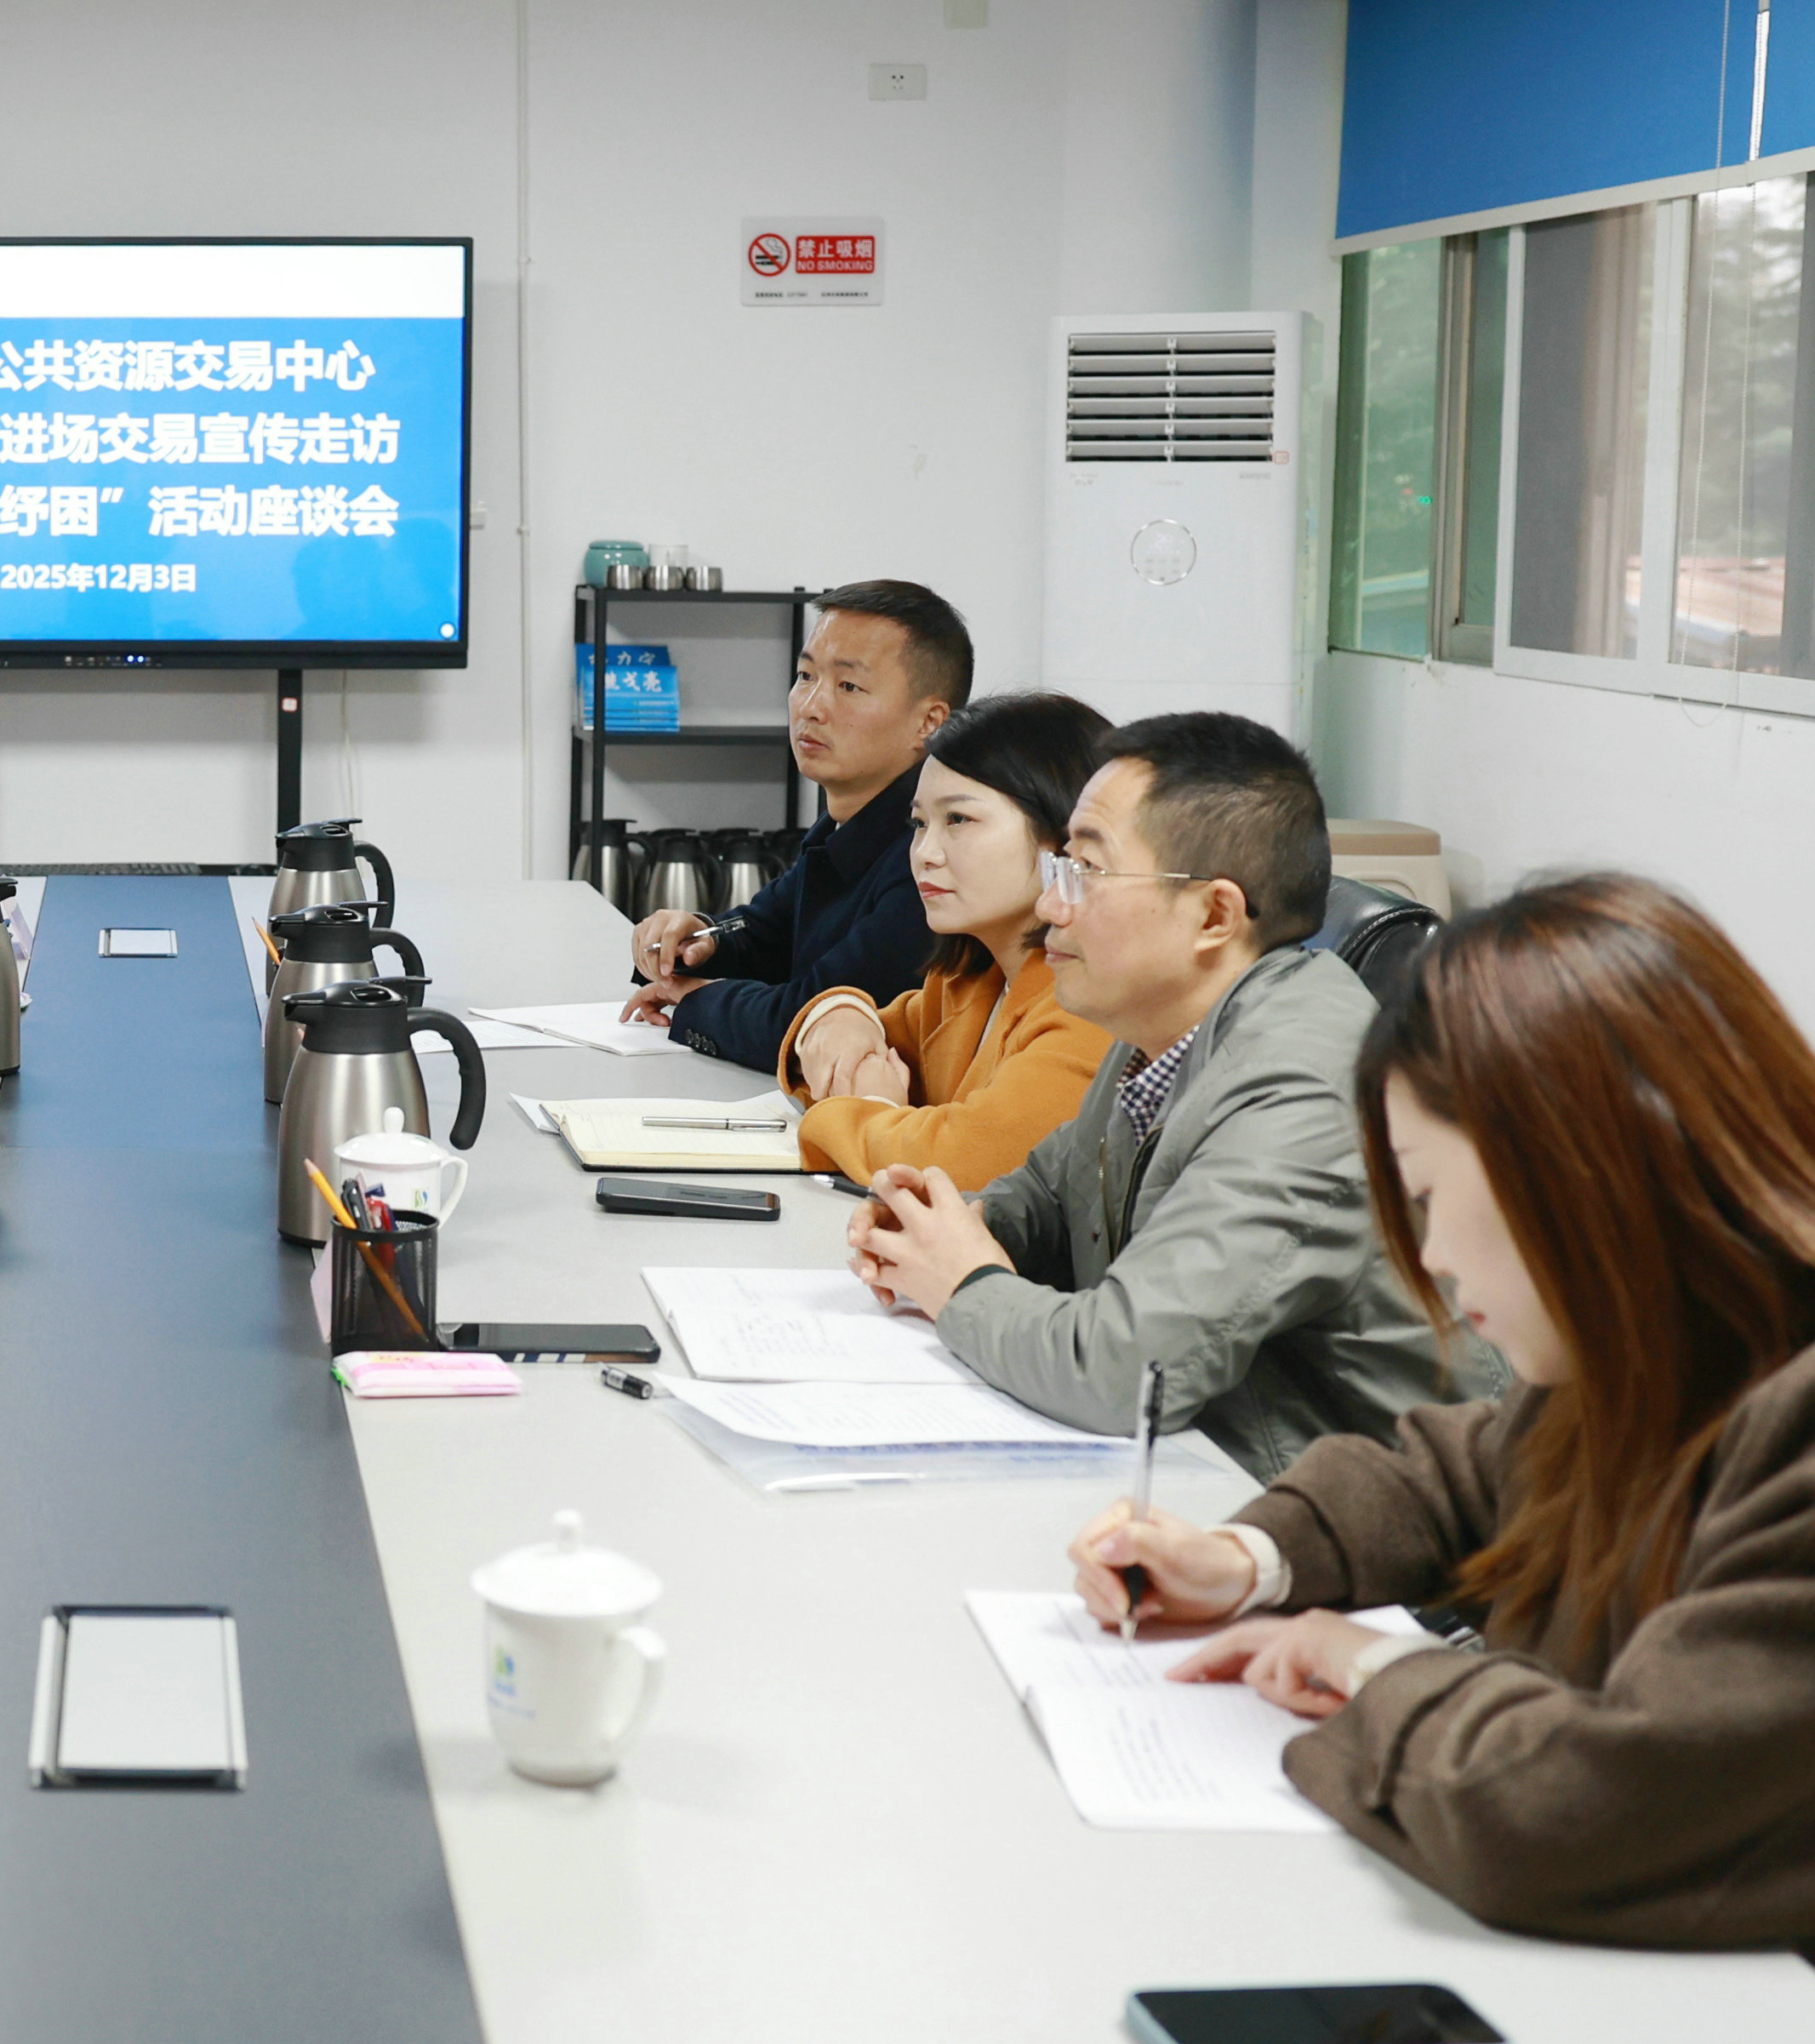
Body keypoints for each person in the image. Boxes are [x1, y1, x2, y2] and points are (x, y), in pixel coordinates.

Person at [1069, 876, 1815, 2044]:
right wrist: (1250, 1561)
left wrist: (1370, 1668)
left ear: (1575, 1169)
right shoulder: (1697, 1325)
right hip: (1784, 1978)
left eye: (1432, 1197)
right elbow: (1466, 1471)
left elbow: (1570, 1816)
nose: (1427, 1257)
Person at [853, 711, 1484, 1476]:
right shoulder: (1159, 1024)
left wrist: (962, 1284)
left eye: (1087, 871)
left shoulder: (1301, 1090)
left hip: (1355, 1523)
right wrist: (945, 1226)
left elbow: (1119, 1372)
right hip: (1206, 1476)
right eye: (1062, 867)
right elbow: (1053, 1192)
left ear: (1214, 914)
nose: (1052, 906)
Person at [772, 691, 1113, 1196]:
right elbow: (828, 1056)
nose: (924, 853)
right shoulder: (970, 980)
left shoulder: (1095, 1005)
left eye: (958, 820)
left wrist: (867, 1109)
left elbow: (959, 1162)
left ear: (1065, 837)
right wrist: (841, 1012)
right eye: (919, 824)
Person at [625, 580, 966, 1068]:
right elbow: (765, 933)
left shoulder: (930, 857)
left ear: (929, 722)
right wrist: (695, 938)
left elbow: (812, 1016)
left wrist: (695, 1000)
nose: (811, 706)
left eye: (848, 686)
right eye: (806, 676)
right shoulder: (844, 825)